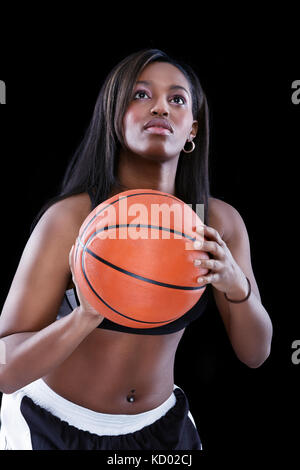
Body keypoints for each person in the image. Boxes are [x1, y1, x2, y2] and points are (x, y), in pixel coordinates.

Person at [0, 49, 273, 450]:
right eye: (141, 95)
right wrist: (87, 314)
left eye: (176, 99)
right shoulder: (72, 218)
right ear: (116, 115)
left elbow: (256, 354)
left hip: (162, 428)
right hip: (53, 424)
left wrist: (236, 285)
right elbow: (5, 370)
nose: (160, 106)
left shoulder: (217, 222)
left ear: (192, 129)